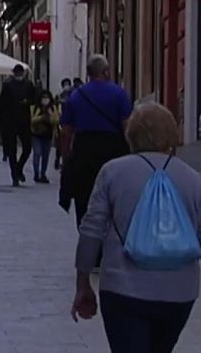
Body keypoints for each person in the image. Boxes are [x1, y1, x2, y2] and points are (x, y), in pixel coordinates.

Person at [71, 103, 200, 353]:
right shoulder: (193, 179)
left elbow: (91, 231)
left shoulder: (113, 172)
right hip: (179, 292)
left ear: (130, 134)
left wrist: (83, 283)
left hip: (124, 289)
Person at [59, 54, 131, 229]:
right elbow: (128, 127)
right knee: (113, 197)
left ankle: (86, 236)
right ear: (106, 72)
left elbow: (66, 132)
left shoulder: (76, 97)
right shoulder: (119, 94)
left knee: (85, 198)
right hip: (113, 151)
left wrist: (65, 157)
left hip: (84, 152)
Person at [0, 64, 36, 186]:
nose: (19, 75)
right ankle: (14, 175)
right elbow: (1, 103)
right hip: (10, 121)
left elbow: (34, 99)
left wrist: (27, 102)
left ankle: (18, 168)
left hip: (24, 120)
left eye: (20, 73)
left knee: (27, 148)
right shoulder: (7, 85)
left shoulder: (28, 85)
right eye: (17, 73)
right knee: (11, 150)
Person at [30, 90, 59, 184]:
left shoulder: (53, 108)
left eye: (47, 98)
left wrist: (50, 115)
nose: (45, 100)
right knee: (37, 153)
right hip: (36, 134)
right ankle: (36, 173)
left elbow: (56, 120)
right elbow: (31, 120)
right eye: (43, 98)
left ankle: (43, 174)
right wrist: (41, 118)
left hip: (48, 135)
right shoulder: (35, 108)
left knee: (46, 156)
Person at [54, 78, 73, 170]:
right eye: (65, 84)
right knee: (61, 143)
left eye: (67, 84)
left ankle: (65, 160)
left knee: (67, 143)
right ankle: (59, 158)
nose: (66, 86)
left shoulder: (73, 95)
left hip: (70, 122)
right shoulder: (61, 95)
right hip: (62, 121)